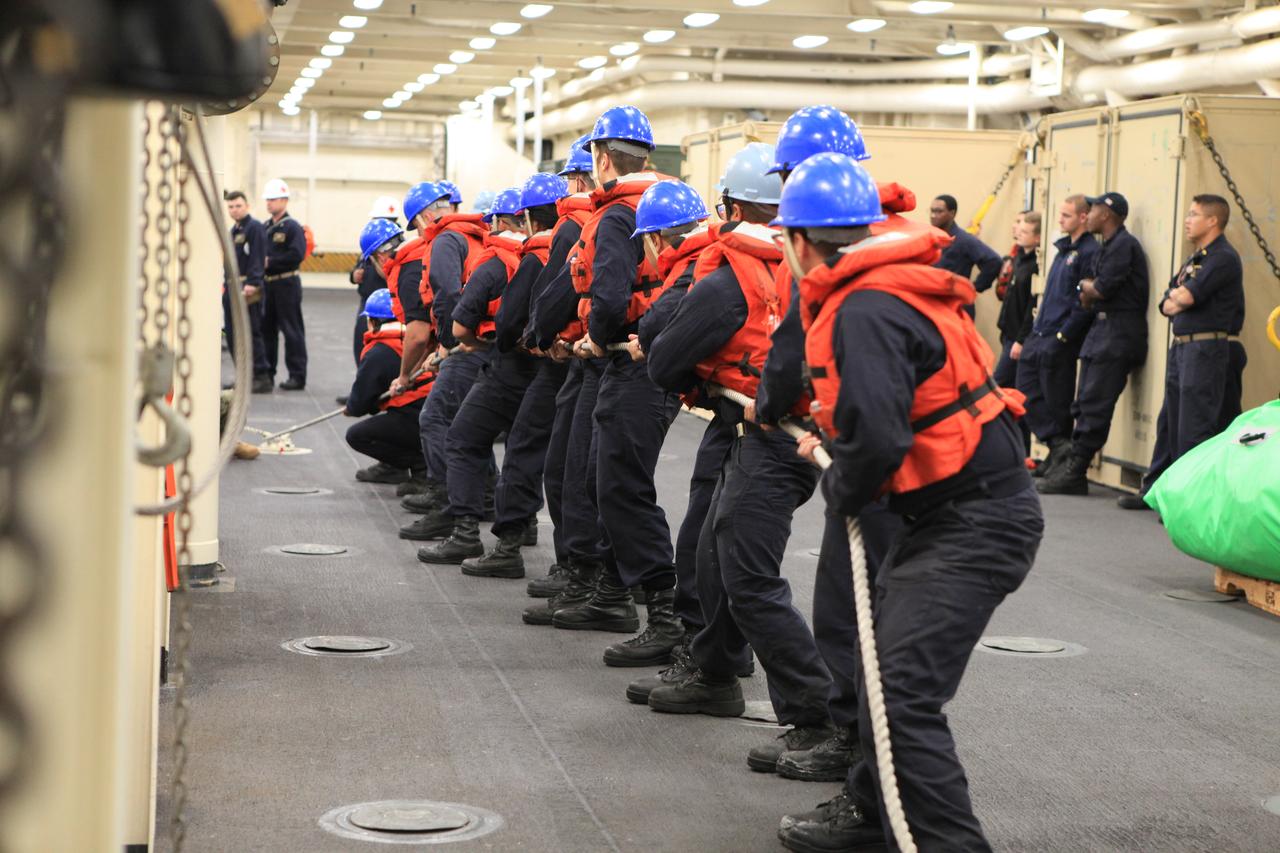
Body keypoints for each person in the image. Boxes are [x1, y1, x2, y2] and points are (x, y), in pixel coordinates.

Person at [775, 152, 1043, 853]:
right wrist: (839, 440)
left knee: (901, 700)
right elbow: (892, 407)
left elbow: (882, 441)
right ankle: (875, 813)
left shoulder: (860, 307)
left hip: (974, 522)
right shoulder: (892, 290)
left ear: (802, 242)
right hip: (954, 511)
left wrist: (842, 475)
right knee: (879, 672)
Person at [642, 146, 839, 777]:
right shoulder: (802, 265)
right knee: (711, 554)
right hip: (775, 430)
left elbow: (661, 354)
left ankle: (819, 718)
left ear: (729, 206)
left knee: (747, 576)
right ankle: (716, 671)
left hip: (778, 434)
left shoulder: (731, 277)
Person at [751, 105, 909, 785]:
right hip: (921, 468)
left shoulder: (830, 262)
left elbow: (792, 348)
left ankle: (856, 761)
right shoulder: (890, 243)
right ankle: (854, 756)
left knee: (854, 615)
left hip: (888, 474)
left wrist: (767, 407)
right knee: (862, 614)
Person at [550, 106, 684, 657]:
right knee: (609, 482)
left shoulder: (612, 216)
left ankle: (665, 614)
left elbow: (605, 297)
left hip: (628, 362)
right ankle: (613, 591)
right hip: (656, 357)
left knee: (617, 486)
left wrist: (599, 339)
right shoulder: (666, 203)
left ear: (601, 158)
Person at [610, 178, 720, 669]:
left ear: (654, 240)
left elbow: (659, 328)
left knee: (626, 489)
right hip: (744, 419)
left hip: (752, 426)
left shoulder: (694, 269)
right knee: (715, 538)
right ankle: (718, 649)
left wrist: (647, 340)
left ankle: (673, 624)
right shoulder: (717, 257)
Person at [415, 185, 542, 568]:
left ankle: (465, 531)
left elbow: (459, 321)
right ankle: (524, 526)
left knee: (462, 436)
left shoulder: (496, 261)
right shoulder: (553, 254)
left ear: (498, 221)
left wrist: (468, 342)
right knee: (526, 451)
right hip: (550, 370)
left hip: (503, 363)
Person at [459, 174, 575, 578]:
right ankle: (581, 570)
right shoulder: (585, 238)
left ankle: (507, 544)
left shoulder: (537, 255)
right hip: (584, 364)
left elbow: (508, 320)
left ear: (525, 219)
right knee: (570, 466)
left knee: (521, 449)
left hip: (542, 367)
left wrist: (517, 338)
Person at [522, 136, 606, 622]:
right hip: (585, 354)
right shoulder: (604, 218)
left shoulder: (584, 221)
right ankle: (588, 573)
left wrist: (538, 335)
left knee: (576, 473)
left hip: (589, 359)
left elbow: (556, 290)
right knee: (582, 474)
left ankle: (588, 575)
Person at [1119, 193, 1247, 510]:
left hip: (1207, 349)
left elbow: (1187, 299)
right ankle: (1157, 491)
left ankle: (1187, 503)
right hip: (1184, 347)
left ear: (1213, 220)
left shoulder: (1223, 258)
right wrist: (1176, 298)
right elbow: (1167, 303)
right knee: (1170, 422)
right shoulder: (1197, 258)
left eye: (1194, 214)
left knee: (1194, 425)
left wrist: (1179, 298)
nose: (1188, 220)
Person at [1039, 191, 1149, 496]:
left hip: (1117, 333)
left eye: (1096, 208)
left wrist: (1088, 287)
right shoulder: (1108, 247)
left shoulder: (1123, 246)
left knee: (1095, 403)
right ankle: (1073, 465)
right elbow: (1087, 294)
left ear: (1107, 215)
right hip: (1102, 332)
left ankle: (1076, 470)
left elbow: (1099, 288)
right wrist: (1087, 288)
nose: (1091, 213)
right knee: (1084, 402)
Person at [1016, 195, 1098, 477]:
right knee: (1025, 390)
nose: (1060, 220)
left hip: (1060, 335)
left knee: (1056, 397)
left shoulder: (1088, 251)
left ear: (1083, 217)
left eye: (1066, 215)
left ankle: (1060, 457)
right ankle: (1057, 444)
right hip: (1041, 331)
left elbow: (1084, 302)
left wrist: (1064, 335)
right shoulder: (1064, 250)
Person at [381, 181, 449, 500]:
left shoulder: (414, 262)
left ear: (421, 218)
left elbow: (419, 333)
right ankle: (484, 497)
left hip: (464, 352)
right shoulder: (464, 240)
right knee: (469, 427)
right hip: (470, 345)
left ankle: (444, 500)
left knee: (438, 421)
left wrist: (406, 375)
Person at [343, 286, 432, 484]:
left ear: (373, 321)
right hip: (433, 413)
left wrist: (350, 408)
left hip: (418, 419)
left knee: (357, 435)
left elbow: (360, 404)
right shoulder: (419, 338)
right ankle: (393, 466)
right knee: (392, 418)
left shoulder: (378, 352)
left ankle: (419, 465)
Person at [994, 212, 1041, 453]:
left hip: (1017, 339)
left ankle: (1014, 449)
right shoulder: (1018, 259)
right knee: (1014, 393)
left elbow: (1031, 307)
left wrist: (1021, 340)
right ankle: (1020, 450)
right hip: (1008, 334)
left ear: (1037, 237)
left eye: (1024, 232)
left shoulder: (1034, 265)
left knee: (999, 388)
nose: (1018, 234)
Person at [260, 178, 309, 390]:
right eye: (268, 200)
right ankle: (267, 373)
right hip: (267, 285)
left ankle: (297, 375)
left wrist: (271, 262)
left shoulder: (292, 228)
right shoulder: (264, 227)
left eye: (273, 199)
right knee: (267, 330)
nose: (269, 203)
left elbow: (297, 254)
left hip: (286, 282)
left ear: (284, 200)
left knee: (291, 329)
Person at [221, 190, 272, 394]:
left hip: (247, 288)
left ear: (247, 206)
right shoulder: (234, 231)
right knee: (233, 334)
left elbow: (258, 257)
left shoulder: (255, 228)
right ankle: (244, 376)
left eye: (238, 206)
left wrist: (253, 282)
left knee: (250, 333)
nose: (234, 210)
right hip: (232, 287)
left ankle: (261, 375)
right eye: (231, 207)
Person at [929, 193, 1002, 317]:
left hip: (956, 307)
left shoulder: (963, 240)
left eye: (939, 211)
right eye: (932, 211)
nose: (933, 215)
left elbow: (993, 261)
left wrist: (974, 287)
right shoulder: (932, 237)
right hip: (935, 305)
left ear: (952, 213)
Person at [348, 195, 401, 365]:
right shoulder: (372, 239)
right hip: (367, 299)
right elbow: (359, 265)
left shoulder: (398, 245)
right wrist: (354, 275)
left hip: (388, 302)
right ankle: (362, 380)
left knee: (383, 345)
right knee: (361, 339)